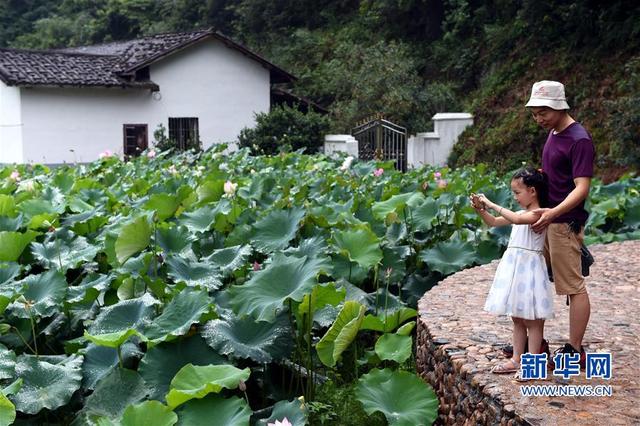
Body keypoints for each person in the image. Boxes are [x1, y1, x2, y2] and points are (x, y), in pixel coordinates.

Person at [525, 80, 595, 366]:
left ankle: (574, 349)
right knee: (534, 278)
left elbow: (581, 188)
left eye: (543, 112)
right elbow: (556, 173)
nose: (538, 118)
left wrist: (552, 214)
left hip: (563, 222)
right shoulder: (554, 133)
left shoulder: (579, 139)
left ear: (559, 106)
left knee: (572, 287)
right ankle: (535, 344)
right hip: (546, 218)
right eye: (534, 113)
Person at [469, 167, 554, 378]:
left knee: (533, 320)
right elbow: (494, 222)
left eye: (517, 192)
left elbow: (515, 221)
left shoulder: (538, 214)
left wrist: (491, 203)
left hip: (531, 271)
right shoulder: (520, 213)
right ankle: (517, 359)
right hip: (516, 270)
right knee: (517, 317)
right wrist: (480, 210)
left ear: (532, 191)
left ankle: (533, 364)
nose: (514, 197)